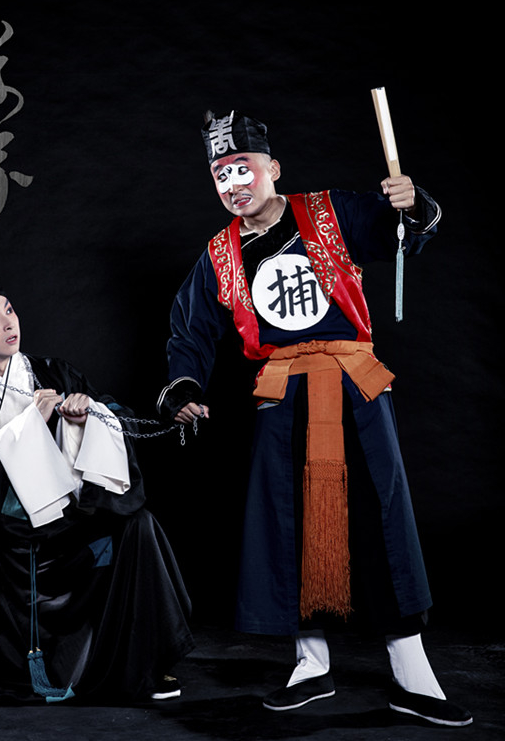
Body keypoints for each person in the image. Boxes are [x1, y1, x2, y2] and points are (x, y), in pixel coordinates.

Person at [156, 110, 472, 726]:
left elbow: (398, 235)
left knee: (379, 514)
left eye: (243, 169)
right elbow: (189, 330)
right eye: (221, 176)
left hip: (354, 386)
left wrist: (411, 205)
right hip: (282, 396)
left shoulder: (331, 213)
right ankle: (311, 664)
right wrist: (184, 384)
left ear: (273, 168)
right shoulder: (219, 254)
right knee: (289, 522)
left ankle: (413, 673)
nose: (233, 185)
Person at [0, 272, 194, 705]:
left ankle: (149, 659)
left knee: (139, 525)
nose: (9, 323)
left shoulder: (53, 371)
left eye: (10, 311)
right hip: (15, 537)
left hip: (73, 521)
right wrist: (27, 423)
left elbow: (117, 413)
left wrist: (89, 413)